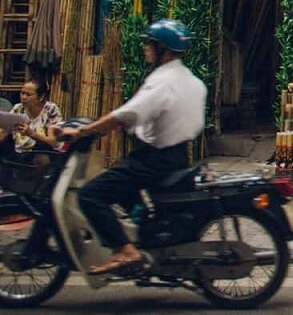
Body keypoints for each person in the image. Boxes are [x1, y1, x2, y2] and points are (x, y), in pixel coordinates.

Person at [56, 19, 206, 276]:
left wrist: (82, 131)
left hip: (153, 159)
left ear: (164, 51)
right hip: (177, 155)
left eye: (150, 44)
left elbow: (125, 115)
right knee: (125, 190)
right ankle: (140, 239)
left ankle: (125, 250)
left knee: (90, 194)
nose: (146, 49)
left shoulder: (163, 82)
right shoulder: (192, 80)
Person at [12, 79, 62, 152]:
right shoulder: (18, 108)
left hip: (42, 154)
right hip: (20, 153)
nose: (24, 97)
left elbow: (54, 143)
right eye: (22, 93)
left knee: (42, 146)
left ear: (41, 97)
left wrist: (31, 133)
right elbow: (4, 131)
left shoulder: (50, 110)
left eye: (29, 95)